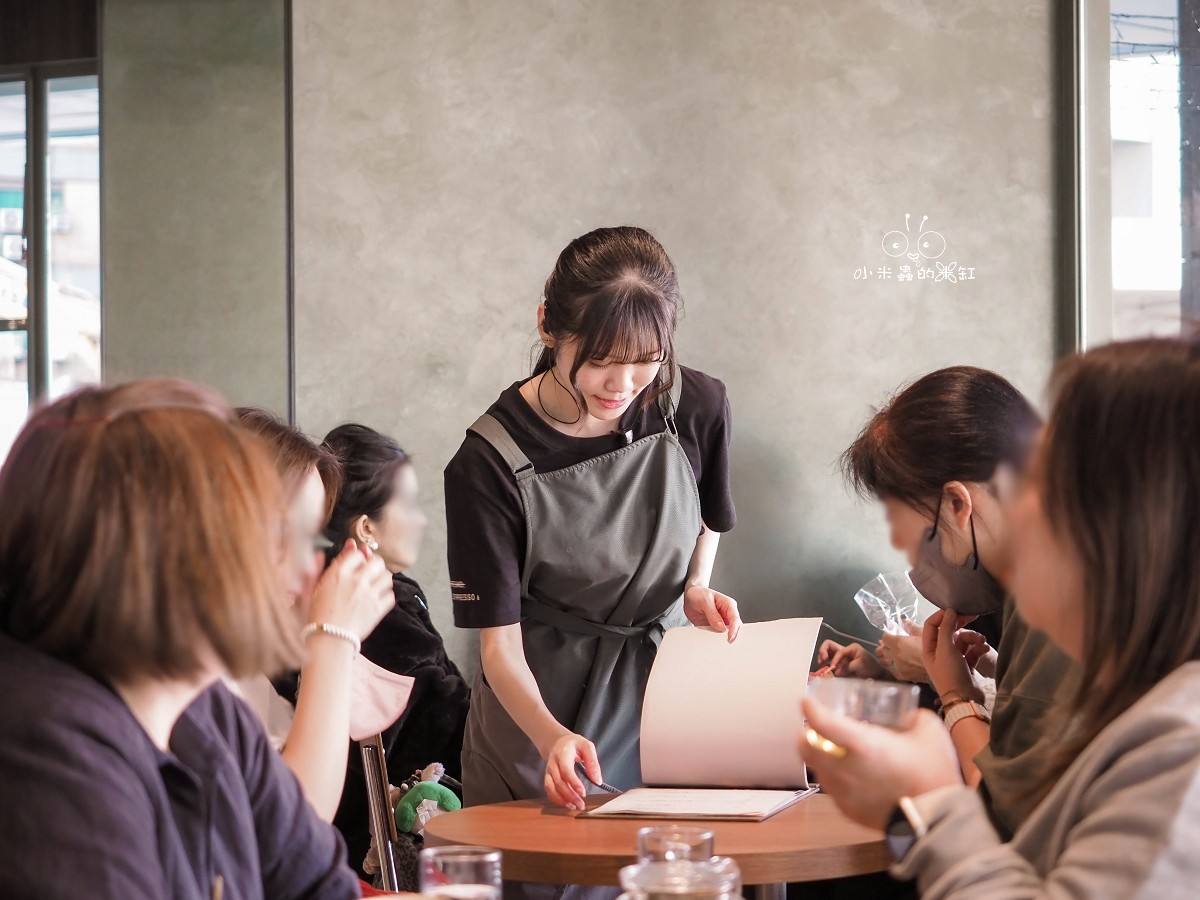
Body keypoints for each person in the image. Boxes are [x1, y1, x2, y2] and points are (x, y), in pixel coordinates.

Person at [803, 337, 1200, 898]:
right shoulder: (1149, 703)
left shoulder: (1179, 748)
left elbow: (1008, 820)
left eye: (1049, 485)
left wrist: (931, 799)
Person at [0, 379, 360, 898]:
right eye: (274, 537)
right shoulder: (46, 750)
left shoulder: (208, 711)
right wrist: (334, 639)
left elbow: (320, 885)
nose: (308, 573)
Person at [444, 226, 743, 818]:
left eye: (646, 362)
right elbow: (498, 648)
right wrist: (551, 737)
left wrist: (694, 586)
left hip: (662, 703)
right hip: (537, 717)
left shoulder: (696, 405)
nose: (622, 386)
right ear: (547, 326)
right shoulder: (488, 462)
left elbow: (708, 517)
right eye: (601, 361)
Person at [817, 366, 1075, 838]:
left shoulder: (1052, 597)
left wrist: (956, 696)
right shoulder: (1057, 563)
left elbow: (1002, 811)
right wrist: (991, 671)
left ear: (957, 504)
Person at [322, 422, 471, 874]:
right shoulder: (375, 614)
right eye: (408, 505)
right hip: (373, 852)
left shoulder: (387, 592)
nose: (421, 520)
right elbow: (450, 725)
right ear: (367, 527)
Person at [237, 408, 395, 822]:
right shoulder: (176, 679)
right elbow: (297, 824)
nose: (309, 564)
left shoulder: (240, 671)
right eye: (289, 535)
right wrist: (332, 638)